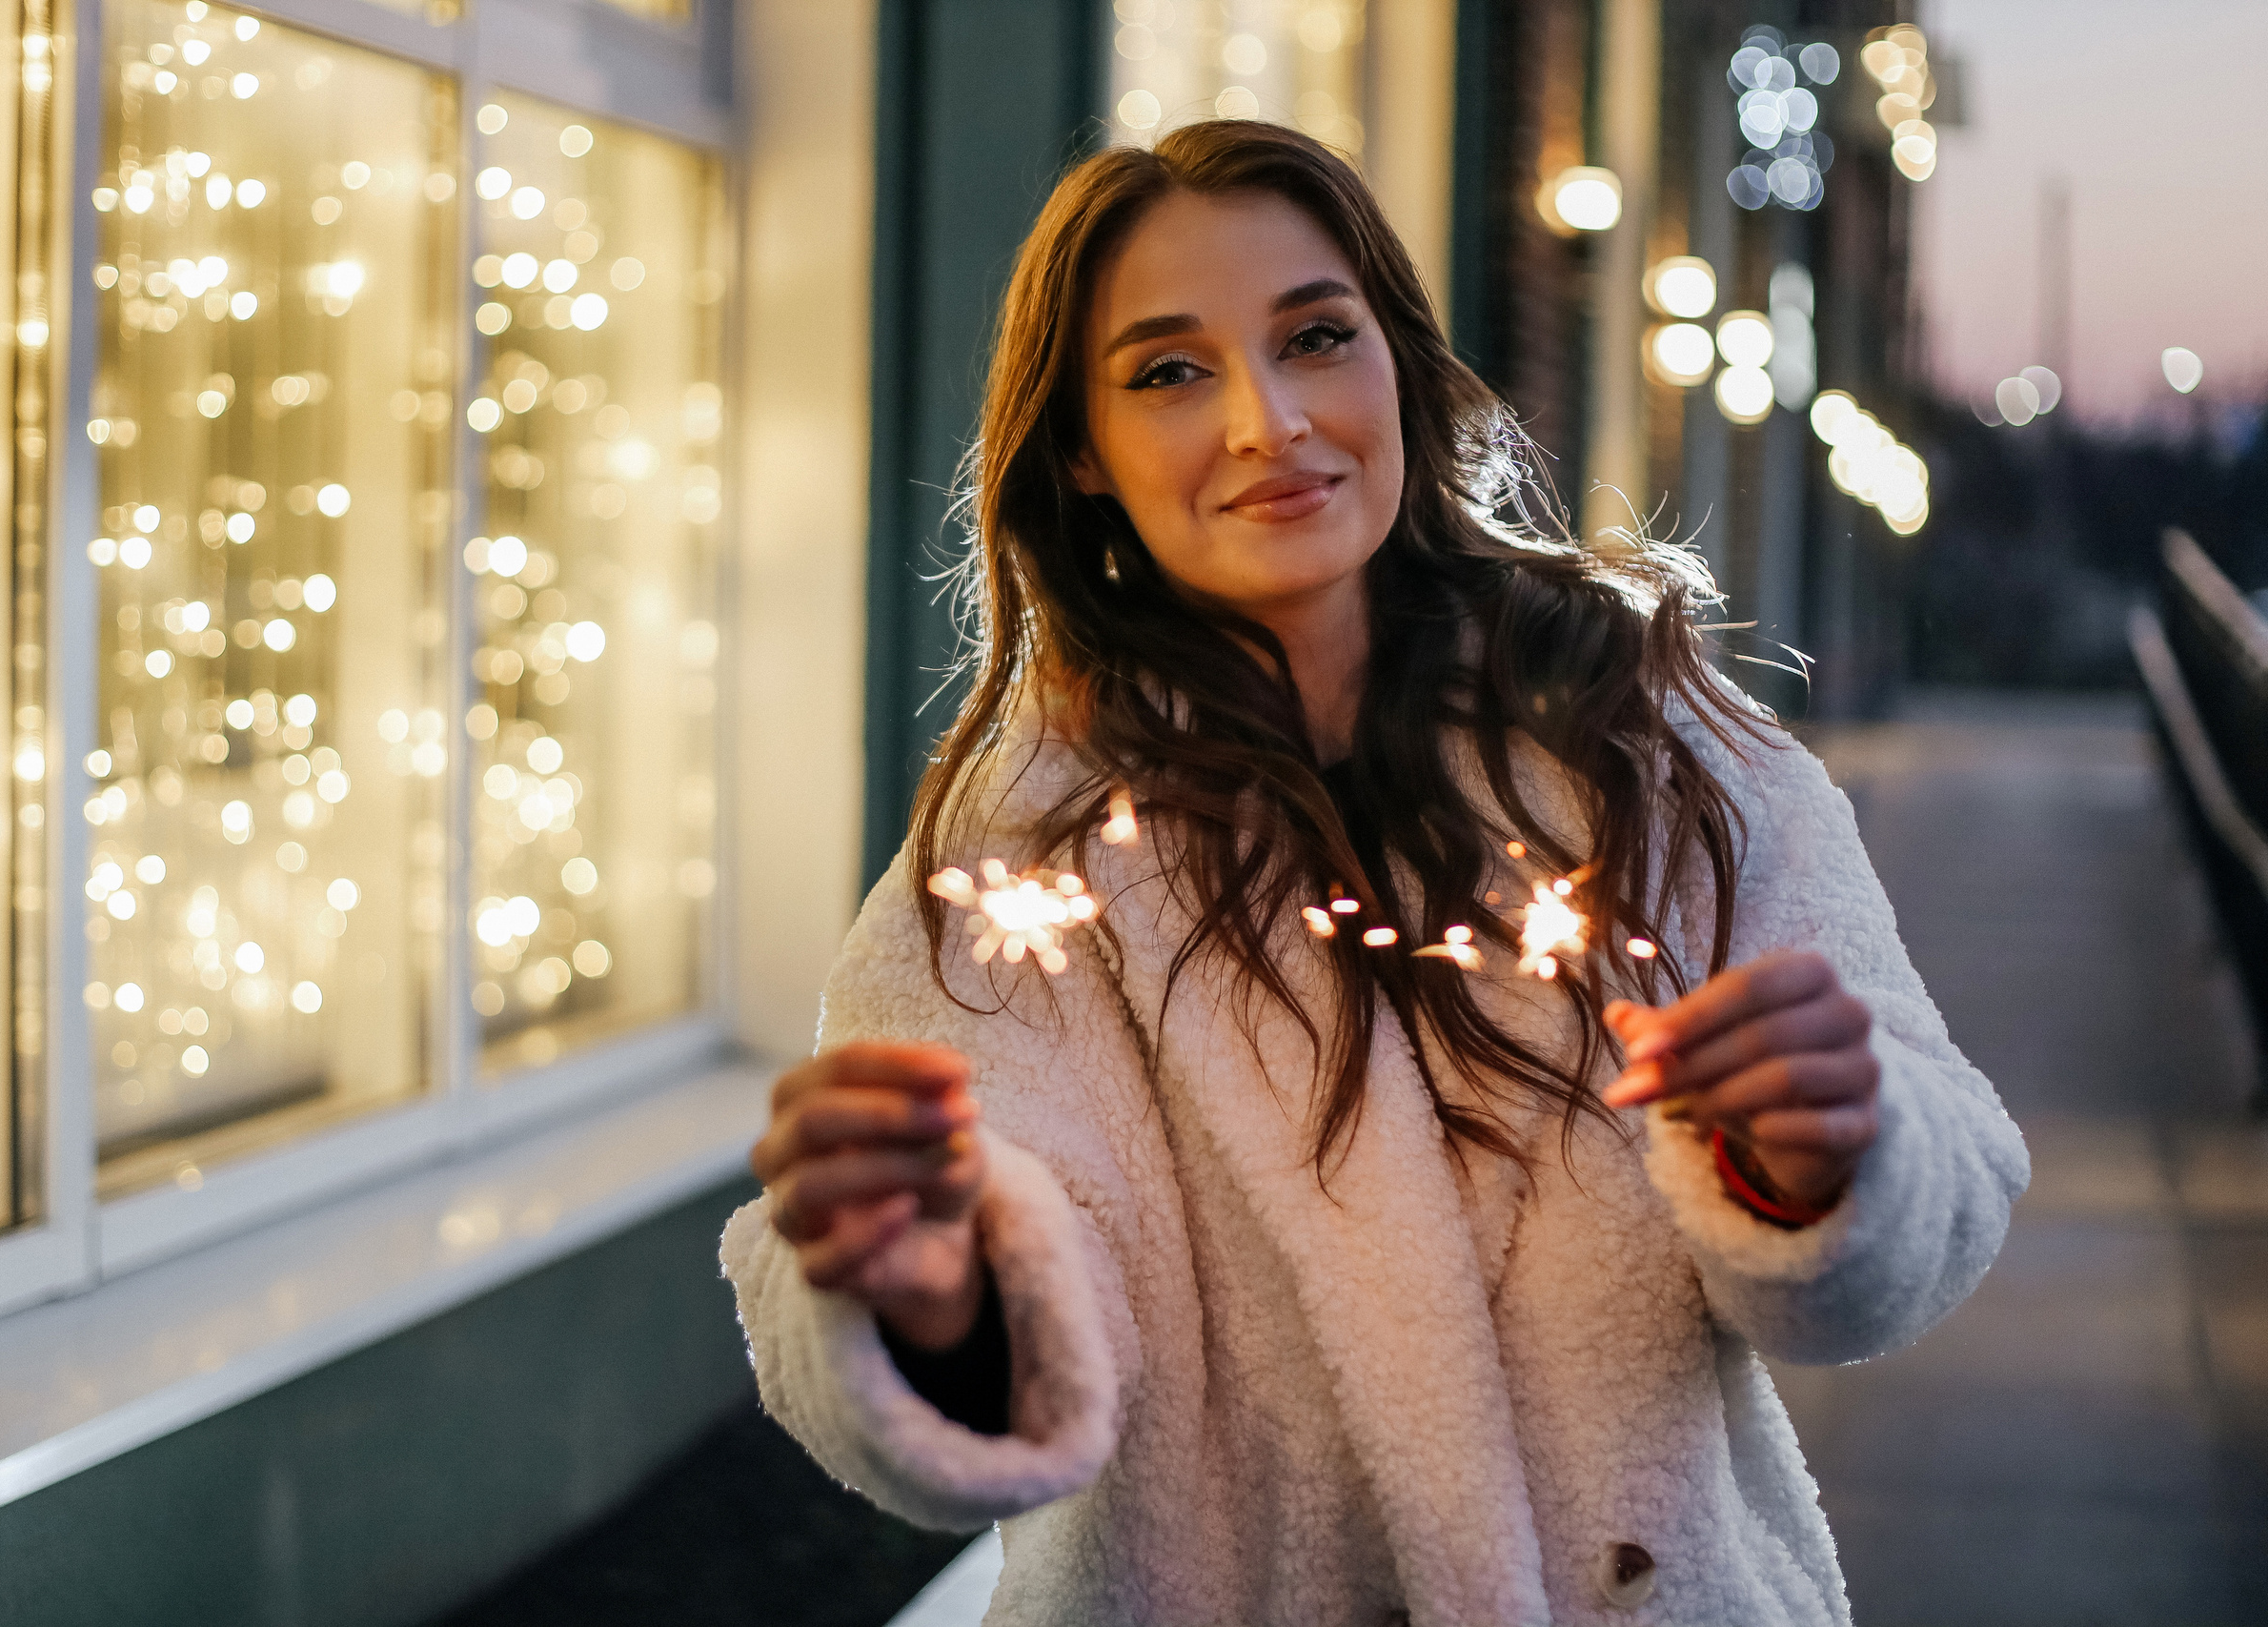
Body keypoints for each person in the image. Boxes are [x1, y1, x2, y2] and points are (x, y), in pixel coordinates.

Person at [722, 120, 2027, 1626]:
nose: (1268, 422)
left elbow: (1949, 1177)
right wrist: (932, 1290)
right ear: (1080, 452)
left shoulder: (1653, 744)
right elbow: (981, 1296)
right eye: (1168, 371)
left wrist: (1826, 1154)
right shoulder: (1027, 864)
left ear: (1397, 361)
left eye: (1316, 338)